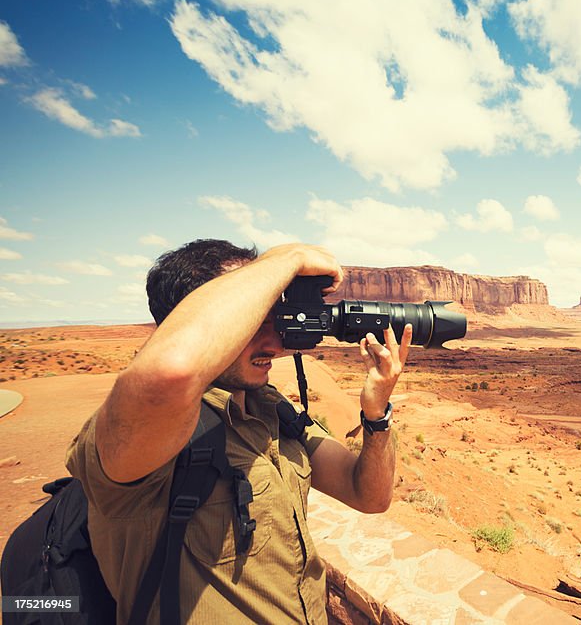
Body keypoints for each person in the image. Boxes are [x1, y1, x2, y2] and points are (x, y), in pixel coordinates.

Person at [65, 239, 410, 624]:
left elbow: (369, 495)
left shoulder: (270, 409)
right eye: (252, 319)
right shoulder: (143, 433)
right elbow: (171, 371)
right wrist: (288, 258)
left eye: (275, 318)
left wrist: (377, 414)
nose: (276, 342)